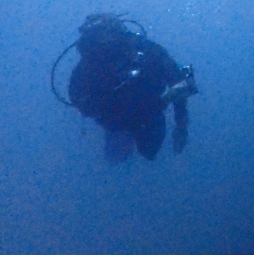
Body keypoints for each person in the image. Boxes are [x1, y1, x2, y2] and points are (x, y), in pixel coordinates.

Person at [66, 13, 197, 161]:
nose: (106, 46)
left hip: (149, 114)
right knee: (116, 158)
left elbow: (177, 81)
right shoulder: (89, 64)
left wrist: (181, 124)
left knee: (149, 153)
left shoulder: (148, 51)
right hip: (118, 121)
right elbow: (78, 99)